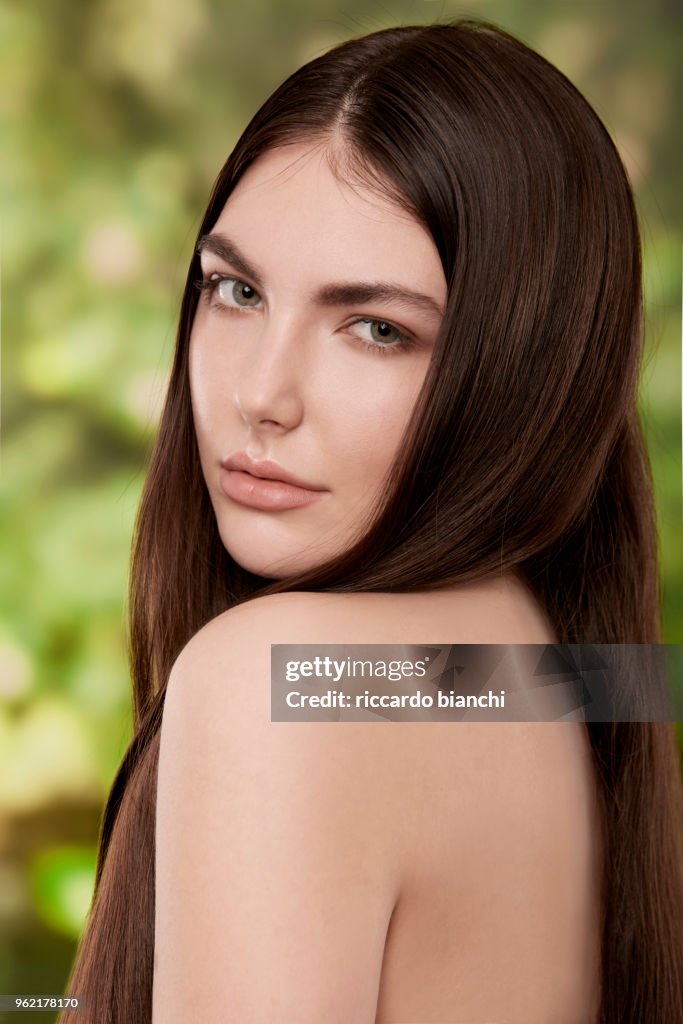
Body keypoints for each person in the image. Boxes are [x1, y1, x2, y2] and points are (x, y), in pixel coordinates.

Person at [58, 17, 683, 1024]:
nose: (261, 393)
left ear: (521, 373)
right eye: (236, 290)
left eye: (376, 328)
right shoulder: (547, 668)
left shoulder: (285, 678)